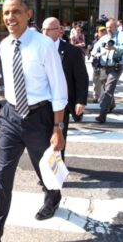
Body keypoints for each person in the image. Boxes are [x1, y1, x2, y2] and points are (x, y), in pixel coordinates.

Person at [0, 0, 68, 242]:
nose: (10, 17)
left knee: (46, 170)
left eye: (16, 11)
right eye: (6, 12)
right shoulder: (5, 45)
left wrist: (57, 127)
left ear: (28, 14)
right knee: (2, 175)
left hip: (39, 116)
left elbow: (59, 89)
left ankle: (53, 197)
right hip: (11, 115)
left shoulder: (44, 45)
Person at [42, 17, 89, 161]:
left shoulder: (72, 52)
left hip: (62, 103)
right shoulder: (38, 49)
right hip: (41, 102)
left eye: (48, 30)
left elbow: (82, 78)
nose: (44, 33)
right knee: (42, 138)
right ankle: (45, 168)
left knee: (59, 135)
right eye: (42, 29)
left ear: (58, 31)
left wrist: (81, 101)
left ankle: (57, 167)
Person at [91, 18, 123, 123]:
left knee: (107, 90)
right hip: (104, 67)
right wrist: (96, 54)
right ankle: (111, 105)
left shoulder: (120, 35)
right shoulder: (104, 38)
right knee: (106, 87)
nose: (108, 29)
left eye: (111, 27)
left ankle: (102, 114)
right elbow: (95, 48)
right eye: (107, 27)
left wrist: (115, 48)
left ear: (115, 27)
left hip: (115, 67)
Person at [91, 26, 108, 103]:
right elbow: (91, 51)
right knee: (96, 81)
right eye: (101, 31)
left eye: (104, 31)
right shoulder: (95, 42)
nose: (103, 33)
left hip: (104, 65)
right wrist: (96, 54)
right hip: (96, 65)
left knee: (105, 82)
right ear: (97, 33)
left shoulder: (108, 41)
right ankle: (96, 97)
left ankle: (105, 97)